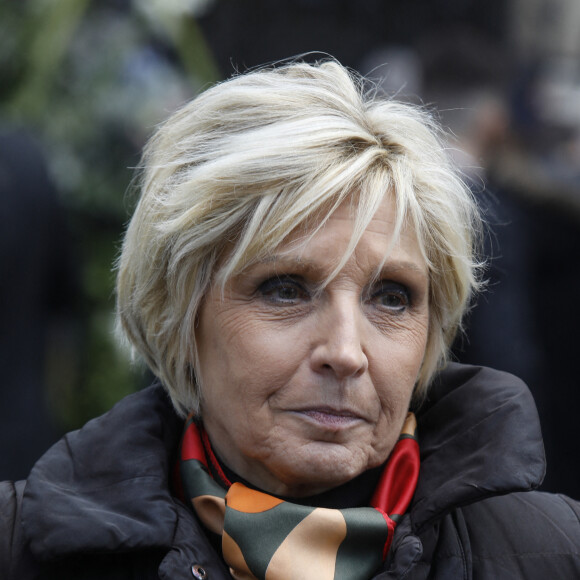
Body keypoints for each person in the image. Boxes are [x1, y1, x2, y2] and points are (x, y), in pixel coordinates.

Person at [1, 59, 579, 580]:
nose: (347, 352)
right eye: (285, 290)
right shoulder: (23, 549)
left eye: (392, 298)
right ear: (177, 314)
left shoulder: (553, 553)